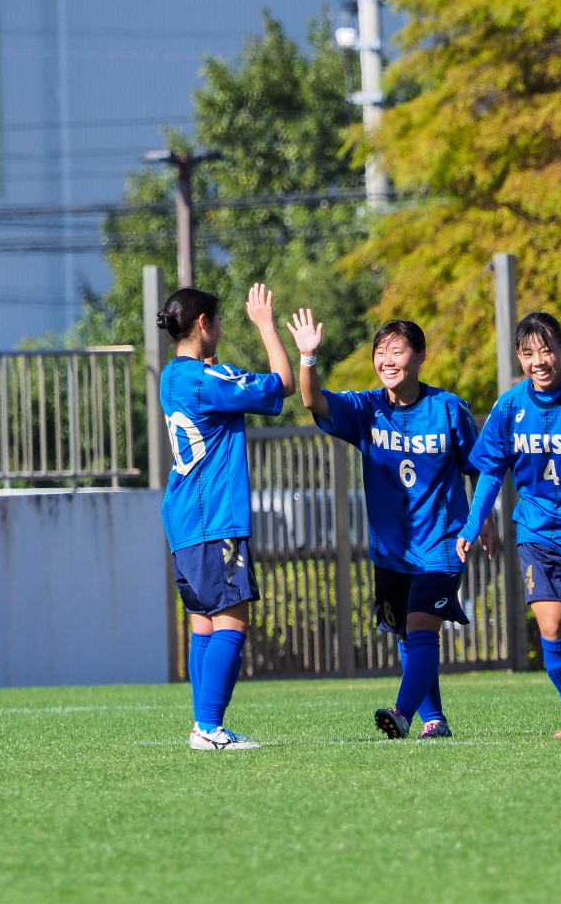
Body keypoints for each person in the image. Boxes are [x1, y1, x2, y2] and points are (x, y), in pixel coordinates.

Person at [287, 309, 495, 739]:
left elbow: (477, 469)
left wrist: (482, 520)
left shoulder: (449, 409)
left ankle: (402, 714)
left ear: (420, 356)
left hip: (441, 543)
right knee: (406, 634)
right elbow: (313, 400)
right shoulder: (367, 408)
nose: (387, 360)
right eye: (380, 352)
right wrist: (308, 357)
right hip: (390, 550)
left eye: (397, 351)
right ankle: (435, 720)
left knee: (420, 627)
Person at [457, 312, 561, 736]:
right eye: (529, 353)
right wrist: (473, 523)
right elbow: (490, 470)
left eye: (547, 350)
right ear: (519, 357)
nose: (539, 361)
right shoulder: (510, 406)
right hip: (537, 531)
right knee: (552, 624)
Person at [159, 284, 294, 750]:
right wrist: (266, 326)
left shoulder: (172, 376)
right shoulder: (210, 381)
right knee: (232, 623)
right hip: (214, 517)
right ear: (204, 324)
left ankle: (202, 725)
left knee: (204, 622)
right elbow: (283, 384)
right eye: (218, 320)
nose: (221, 327)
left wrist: (214, 363)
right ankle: (210, 728)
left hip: (183, 520)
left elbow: (210, 386)